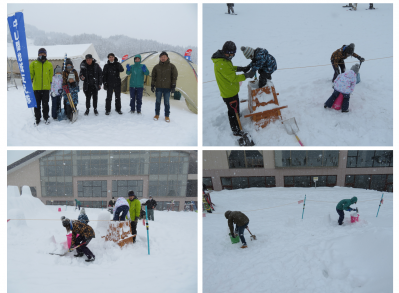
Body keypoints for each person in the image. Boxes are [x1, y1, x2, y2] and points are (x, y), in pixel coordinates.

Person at [212, 41, 254, 136]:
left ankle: (237, 116)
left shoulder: (223, 59)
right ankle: (236, 130)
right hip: (229, 93)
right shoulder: (221, 63)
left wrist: (241, 68)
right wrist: (246, 75)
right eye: (232, 54)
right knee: (232, 112)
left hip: (231, 90)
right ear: (227, 52)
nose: (233, 56)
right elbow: (233, 78)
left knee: (235, 109)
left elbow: (230, 68)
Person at [151, 51, 178, 122]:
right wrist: (152, 85)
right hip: (159, 87)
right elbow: (153, 77)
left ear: (167, 58)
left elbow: (174, 77)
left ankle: (167, 116)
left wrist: (173, 86)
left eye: (164, 57)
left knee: (166, 102)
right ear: (159, 58)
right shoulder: (156, 67)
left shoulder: (172, 66)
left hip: (167, 88)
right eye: (161, 57)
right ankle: (157, 114)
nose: (163, 58)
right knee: (157, 101)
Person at [30, 48, 53, 125]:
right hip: (36, 88)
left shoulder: (49, 64)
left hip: (46, 88)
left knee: (45, 104)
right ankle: (37, 118)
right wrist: (27, 79)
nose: (42, 55)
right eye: (41, 54)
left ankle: (46, 117)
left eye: (44, 54)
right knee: (37, 104)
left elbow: (51, 75)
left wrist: (50, 83)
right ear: (38, 54)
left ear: (46, 54)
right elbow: (31, 74)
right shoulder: (34, 64)